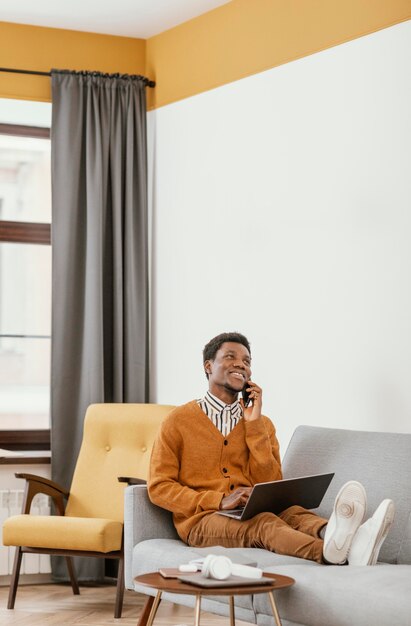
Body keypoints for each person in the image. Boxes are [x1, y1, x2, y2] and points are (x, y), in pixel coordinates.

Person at [148, 332, 395, 566]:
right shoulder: (177, 421)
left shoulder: (262, 424)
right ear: (208, 366)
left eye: (246, 360)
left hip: (251, 509)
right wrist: (219, 500)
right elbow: (159, 488)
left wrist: (253, 425)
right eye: (230, 357)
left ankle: (340, 535)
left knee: (294, 513)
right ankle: (335, 553)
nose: (241, 364)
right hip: (202, 521)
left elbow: (270, 481)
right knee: (264, 522)